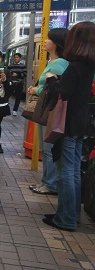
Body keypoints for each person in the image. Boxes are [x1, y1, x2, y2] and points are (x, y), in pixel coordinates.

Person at [42, 21, 95, 232]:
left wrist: (52, 80)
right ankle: (71, 215)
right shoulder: (89, 65)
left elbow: (62, 93)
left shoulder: (74, 67)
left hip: (67, 124)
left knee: (66, 171)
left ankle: (65, 218)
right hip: (80, 123)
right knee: (73, 171)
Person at [27, 28, 69, 195]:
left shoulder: (59, 63)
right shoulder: (54, 62)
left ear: (57, 43)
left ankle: (50, 184)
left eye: (49, 38)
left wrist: (35, 90)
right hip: (47, 108)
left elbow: (54, 89)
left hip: (51, 110)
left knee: (48, 148)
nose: (45, 41)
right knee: (46, 148)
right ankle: (47, 182)